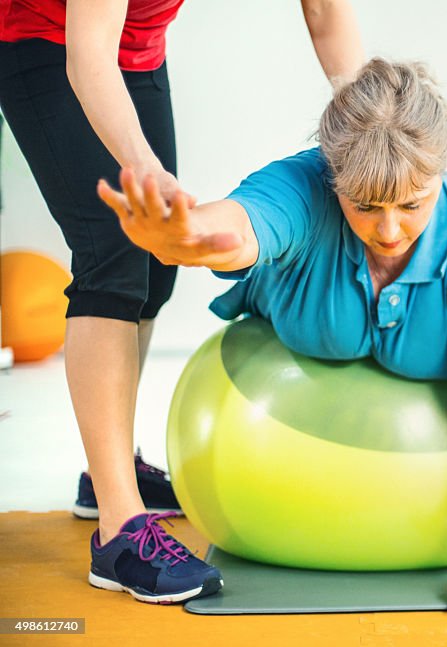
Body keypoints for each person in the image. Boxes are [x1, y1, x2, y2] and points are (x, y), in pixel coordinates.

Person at [98, 58, 447, 625]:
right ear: (332, 179)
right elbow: (239, 228)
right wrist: (186, 238)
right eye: (365, 206)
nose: (389, 232)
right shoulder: (304, 185)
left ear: (441, 174)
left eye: (412, 205)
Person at [0, 0, 363, 604]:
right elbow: (88, 57)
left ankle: (108, 473)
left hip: (138, 46)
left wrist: (372, 127)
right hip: (46, 41)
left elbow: (324, 9)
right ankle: (119, 533)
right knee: (114, 251)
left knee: (155, 264)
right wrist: (144, 169)